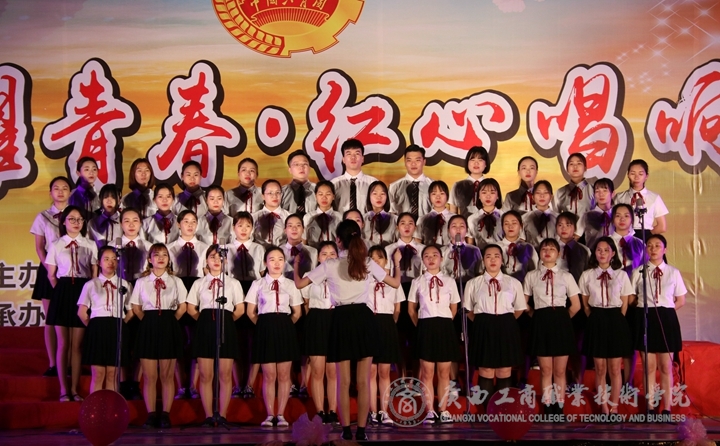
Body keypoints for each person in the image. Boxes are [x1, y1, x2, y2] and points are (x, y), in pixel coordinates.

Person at [294, 220, 402, 441]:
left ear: (338, 240)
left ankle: (345, 430)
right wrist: (397, 264)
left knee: (343, 382)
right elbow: (395, 283)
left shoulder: (331, 264)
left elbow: (299, 284)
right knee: (363, 381)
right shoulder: (367, 262)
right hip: (363, 318)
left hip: (341, 319)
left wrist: (296, 266)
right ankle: (361, 431)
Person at [186, 245, 245, 427]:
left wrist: (225, 321)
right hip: (205, 326)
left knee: (225, 374)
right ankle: (208, 415)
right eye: (212, 257)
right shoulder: (199, 283)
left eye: (220, 257)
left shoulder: (233, 283)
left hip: (226, 325)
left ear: (225, 260)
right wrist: (205, 321)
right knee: (206, 374)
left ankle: (223, 415)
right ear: (206, 261)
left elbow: (240, 309)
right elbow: (191, 308)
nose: (217, 260)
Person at [130, 243, 188, 428]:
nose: (161, 258)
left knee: (167, 375)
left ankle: (165, 414)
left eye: (164, 255)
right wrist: (150, 322)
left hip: (169, 324)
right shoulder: (141, 282)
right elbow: (136, 307)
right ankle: (150, 414)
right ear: (149, 259)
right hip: (148, 324)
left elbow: (183, 307)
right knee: (149, 376)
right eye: (156, 255)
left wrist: (169, 322)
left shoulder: (176, 281)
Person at [245, 246, 303, 427]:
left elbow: (297, 312)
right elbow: (250, 312)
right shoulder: (258, 284)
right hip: (265, 328)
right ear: (265, 263)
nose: (277, 263)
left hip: (285, 327)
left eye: (280, 259)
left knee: (284, 375)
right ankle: (270, 415)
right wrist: (264, 326)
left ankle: (281, 414)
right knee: (269, 375)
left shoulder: (290, 284)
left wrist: (284, 326)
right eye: (272, 259)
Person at [46, 205, 98, 401]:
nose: (76, 223)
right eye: (72, 219)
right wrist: (61, 291)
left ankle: (75, 389)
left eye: (79, 219)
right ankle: (63, 389)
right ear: (64, 221)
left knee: (77, 345)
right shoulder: (56, 244)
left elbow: (94, 274)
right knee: (63, 344)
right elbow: (51, 275)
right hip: (63, 291)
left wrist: (88, 297)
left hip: (83, 291)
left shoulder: (90, 244)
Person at [523, 238, 581, 414]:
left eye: (552, 249)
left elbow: (576, 305)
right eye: (544, 249)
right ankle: (547, 407)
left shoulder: (566, 276)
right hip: (541, 321)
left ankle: (560, 407)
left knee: (560, 370)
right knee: (545, 369)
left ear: (559, 253)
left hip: (561, 321)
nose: (547, 252)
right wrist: (536, 316)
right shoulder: (532, 276)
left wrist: (562, 318)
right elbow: (524, 303)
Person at [464, 244, 526, 407]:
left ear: (502, 260)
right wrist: (483, 322)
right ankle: (486, 411)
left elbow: (519, 308)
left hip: (506, 326)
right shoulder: (473, 283)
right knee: (485, 370)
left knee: (504, 369)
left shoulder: (513, 282)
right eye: (488, 256)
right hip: (483, 326)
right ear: (483, 260)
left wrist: (504, 321)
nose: (492, 260)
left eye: (496, 256)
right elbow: (468, 310)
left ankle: (501, 410)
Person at [630, 234, 686, 415]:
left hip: (666, 319)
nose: (653, 249)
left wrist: (665, 311)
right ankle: (650, 407)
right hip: (645, 317)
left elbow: (680, 300)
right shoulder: (638, 271)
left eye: (657, 245)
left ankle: (666, 408)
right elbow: (631, 298)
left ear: (665, 249)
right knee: (649, 367)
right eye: (650, 245)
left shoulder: (673, 272)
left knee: (665, 367)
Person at [579, 237, 633, 416]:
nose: (602, 253)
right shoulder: (587, 275)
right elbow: (585, 304)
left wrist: (616, 320)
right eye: (599, 250)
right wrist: (595, 318)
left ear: (613, 253)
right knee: (600, 368)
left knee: (615, 368)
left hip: (616, 320)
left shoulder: (621, 275)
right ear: (594, 253)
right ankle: (603, 408)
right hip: (596, 319)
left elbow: (625, 304)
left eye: (606, 250)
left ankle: (614, 407)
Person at [408, 245, 460, 424]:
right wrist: (422, 326)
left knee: (444, 372)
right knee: (427, 373)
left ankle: (443, 409)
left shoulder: (450, 281)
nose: (431, 259)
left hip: (444, 326)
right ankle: (429, 410)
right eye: (427, 256)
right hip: (425, 326)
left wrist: (445, 323)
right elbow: (411, 309)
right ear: (422, 260)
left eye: (434, 255)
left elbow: (454, 308)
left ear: (441, 258)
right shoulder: (417, 281)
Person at [77, 246, 134, 393]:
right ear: (99, 262)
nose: (111, 262)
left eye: (114, 259)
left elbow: (130, 311)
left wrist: (121, 324)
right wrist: (94, 327)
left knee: (112, 375)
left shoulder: (125, 284)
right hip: (97, 329)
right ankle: (95, 406)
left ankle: (111, 406)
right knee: (98, 374)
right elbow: (82, 312)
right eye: (106, 259)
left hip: (117, 328)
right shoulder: (91, 284)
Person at [30, 176, 70, 377]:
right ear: (50, 192)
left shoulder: (75, 215)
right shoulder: (43, 217)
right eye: (56, 188)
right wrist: (50, 270)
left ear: (70, 192)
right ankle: (53, 364)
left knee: (70, 320)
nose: (60, 191)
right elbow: (39, 247)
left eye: (64, 188)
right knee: (51, 318)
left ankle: (69, 363)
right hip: (49, 270)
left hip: (71, 272)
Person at [226, 211, 265, 399]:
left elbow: (262, 273)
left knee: (253, 341)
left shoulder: (259, 248)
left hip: (253, 290)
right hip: (232, 291)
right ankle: (236, 384)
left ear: (252, 228)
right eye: (239, 225)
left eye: (248, 226)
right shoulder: (225, 249)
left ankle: (249, 384)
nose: (243, 229)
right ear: (233, 227)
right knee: (234, 341)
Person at [301, 241, 340, 424]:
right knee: (317, 370)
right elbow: (306, 303)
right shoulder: (308, 276)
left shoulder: (343, 276)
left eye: (332, 254)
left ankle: (332, 410)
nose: (328, 257)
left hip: (335, 320)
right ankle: (319, 411)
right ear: (318, 257)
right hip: (316, 320)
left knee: (333, 371)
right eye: (324, 254)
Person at [367, 246, 404, 425]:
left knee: (384, 372)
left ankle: (384, 410)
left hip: (386, 324)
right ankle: (372, 411)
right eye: (372, 258)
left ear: (385, 261)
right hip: (368, 325)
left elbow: (397, 308)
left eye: (380, 258)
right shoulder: (363, 279)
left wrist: (390, 325)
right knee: (370, 371)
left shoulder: (393, 280)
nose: (376, 261)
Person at [615, 159, 668, 243]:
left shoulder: (654, 197)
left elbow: (662, 226)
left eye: (640, 174)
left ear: (646, 176)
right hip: (624, 235)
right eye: (633, 173)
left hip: (645, 236)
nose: (636, 177)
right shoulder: (620, 197)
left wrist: (647, 236)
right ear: (628, 175)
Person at [331, 139, 379, 213]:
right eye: (348, 154)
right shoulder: (334, 183)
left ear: (362, 159)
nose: (353, 157)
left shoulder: (373, 183)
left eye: (357, 154)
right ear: (343, 159)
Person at [389, 144, 433, 221]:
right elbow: (391, 213)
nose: (413, 164)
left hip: (427, 227)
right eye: (409, 160)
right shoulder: (394, 186)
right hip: (402, 227)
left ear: (424, 162)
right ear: (405, 162)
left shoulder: (432, 185)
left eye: (417, 160)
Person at [448, 146, 491, 217]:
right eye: (472, 160)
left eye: (480, 160)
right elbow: (453, 212)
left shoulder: (492, 186)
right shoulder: (458, 186)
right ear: (467, 163)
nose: (476, 163)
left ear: (486, 164)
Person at [552, 153, 594, 219]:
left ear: (585, 168)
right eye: (571, 164)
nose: (575, 166)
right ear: (567, 169)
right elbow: (553, 216)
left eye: (579, 163)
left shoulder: (594, 190)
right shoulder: (560, 192)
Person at [304, 181, 343, 249]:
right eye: (320, 194)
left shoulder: (340, 217)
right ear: (316, 196)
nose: (324, 197)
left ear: (333, 196)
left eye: (328, 194)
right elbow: (304, 240)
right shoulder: (308, 217)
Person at [577, 178, 615, 249]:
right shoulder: (587, 216)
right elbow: (575, 237)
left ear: (612, 194)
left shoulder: (618, 214)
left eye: (605, 191)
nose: (601, 194)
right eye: (597, 191)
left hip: (616, 254)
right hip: (593, 253)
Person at [467, 178, 504, 249]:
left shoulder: (504, 217)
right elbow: (470, 245)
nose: (488, 196)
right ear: (479, 196)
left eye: (492, 193)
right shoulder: (472, 219)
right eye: (484, 193)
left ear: (498, 196)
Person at [521, 180, 558, 251]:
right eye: (538, 193)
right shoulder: (524, 219)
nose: (542, 196)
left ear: (551, 197)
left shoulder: (558, 218)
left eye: (546, 192)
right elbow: (521, 241)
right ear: (533, 197)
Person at [415, 180, 454, 245]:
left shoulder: (454, 218)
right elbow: (417, 243)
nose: (438, 197)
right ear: (429, 197)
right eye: (434, 194)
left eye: (442, 193)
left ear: (447, 196)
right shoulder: (422, 219)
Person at [252, 179, 289, 247]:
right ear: (263, 196)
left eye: (278, 192)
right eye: (270, 193)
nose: (274, 196)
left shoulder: (288, 217)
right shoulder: (253, 217)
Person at [281, 150, 316, 217]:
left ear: (309, 168)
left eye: (305, 164)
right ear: (290, 170)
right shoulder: (281, 192)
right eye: (296, 164)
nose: (301, 167)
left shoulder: (318, 190)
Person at [363, 180, 397, 246]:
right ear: (369, 196)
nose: (379, 197)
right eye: (375, 193)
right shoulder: (363, 219)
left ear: (387, 197)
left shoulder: (395, 219)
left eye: (382, 194)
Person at [87, 184, 122, 249]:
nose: (109, 201)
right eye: (106, 197)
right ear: (100, 200)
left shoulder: (123, 221)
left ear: (119, 200)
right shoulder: (93, 223)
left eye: (113, 197)